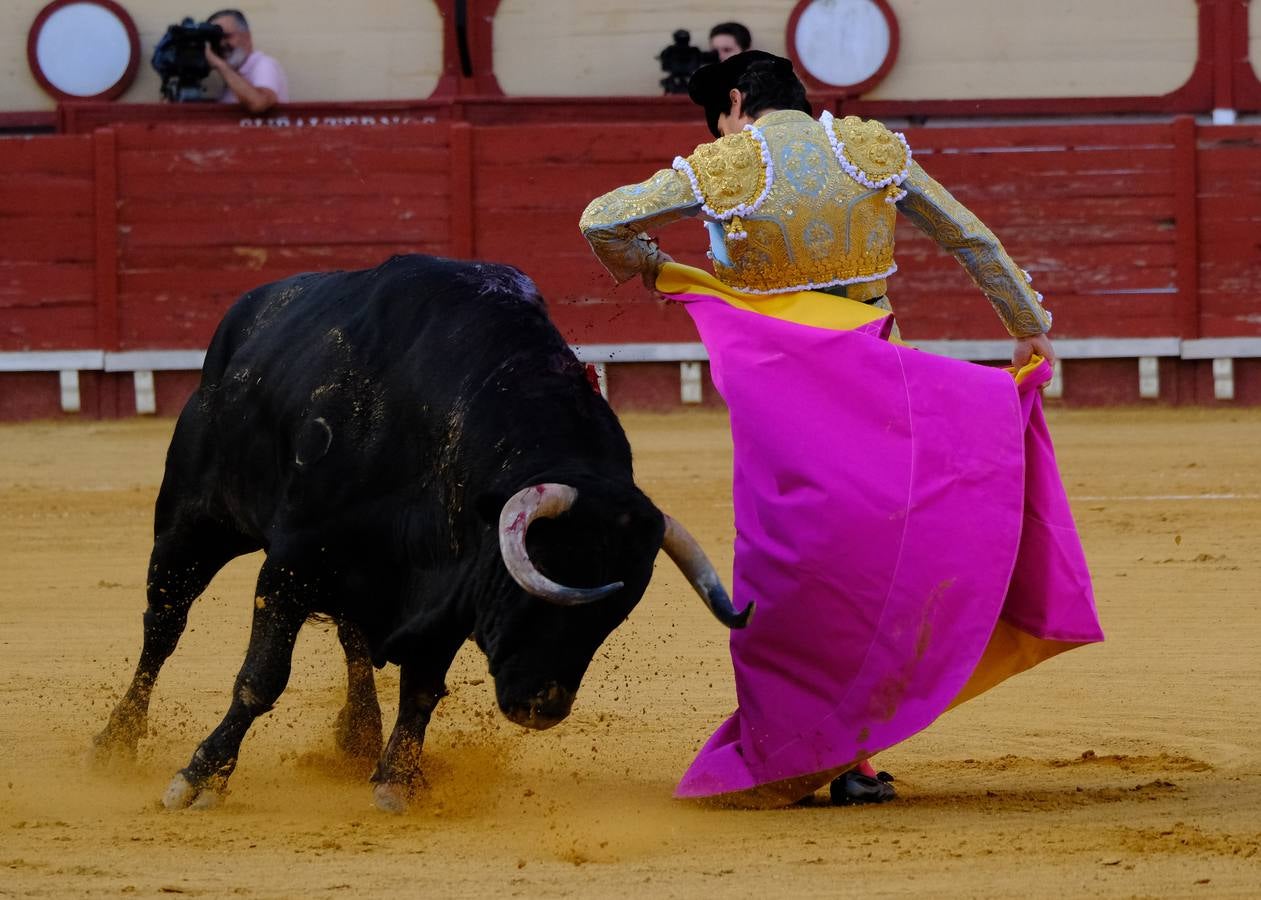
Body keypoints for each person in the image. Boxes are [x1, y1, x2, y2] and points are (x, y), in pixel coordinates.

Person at [579, 51, 1102, 808]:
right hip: (876, 378)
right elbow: (969, 239)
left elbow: (603, 220)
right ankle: (858, 755)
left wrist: (664, 271)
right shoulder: (868, 149)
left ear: (734, 103)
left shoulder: (723, 167)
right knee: (884, 559)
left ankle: (802, 745)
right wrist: (1025, 325)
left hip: (781, 395)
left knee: (792, 561)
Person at [205, 9, 288, 114]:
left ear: (247, 36)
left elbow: (258, 103)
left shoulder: (263, 64)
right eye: (216, 39)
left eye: (227, 36)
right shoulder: (233, 74)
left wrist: (219, 65)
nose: (221, 44)